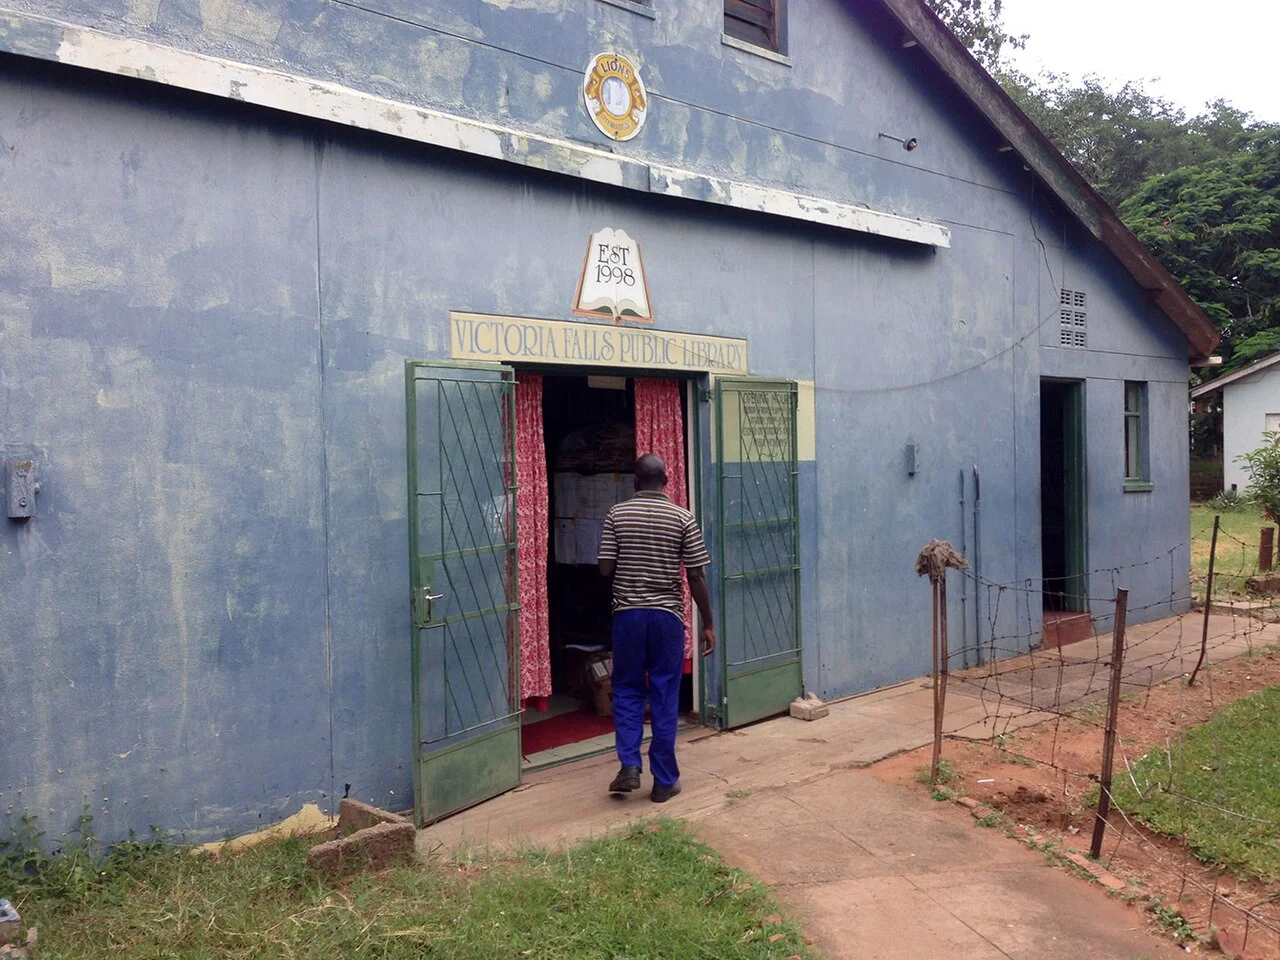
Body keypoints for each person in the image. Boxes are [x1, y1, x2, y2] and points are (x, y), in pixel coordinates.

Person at [597, 453, 716, 803]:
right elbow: (696, 575)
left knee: (628, 690)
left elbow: (605, 569)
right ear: (666, 480)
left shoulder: (617, 514)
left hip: (628, 617)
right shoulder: (683, 517)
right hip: (667, 618)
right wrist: (708, 623)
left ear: (635, 482)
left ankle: (630, 765)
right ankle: (664, 782)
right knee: (665, 693)